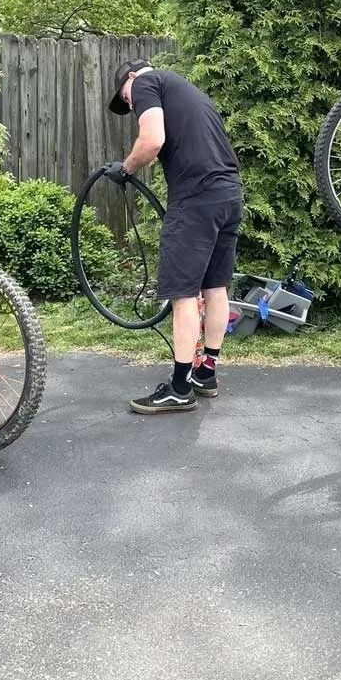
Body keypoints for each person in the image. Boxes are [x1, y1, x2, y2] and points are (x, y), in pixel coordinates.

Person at [105, 58, 243, 414]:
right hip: (228, 194)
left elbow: (152, 140)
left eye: (126, 98)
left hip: (196, 198)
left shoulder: (145, 83)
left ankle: (180, 388)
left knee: (184, 294)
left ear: (131, 78)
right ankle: (206, 373)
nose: (131, 105)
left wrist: (125, 169)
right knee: (215, 287)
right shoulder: (191, 92)